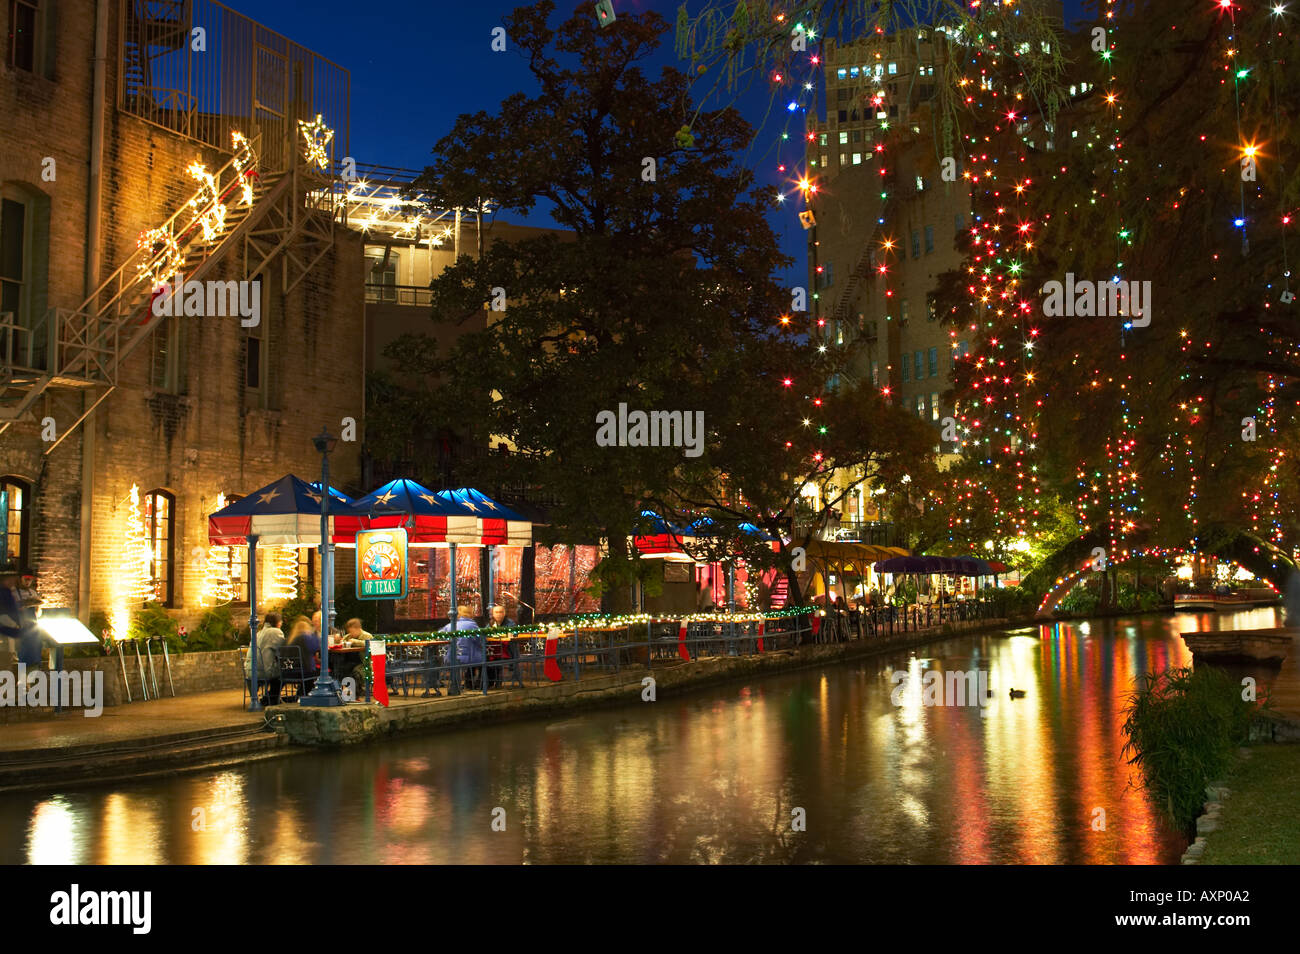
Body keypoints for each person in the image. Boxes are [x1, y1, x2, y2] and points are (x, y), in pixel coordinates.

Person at [0, 566, 42, 686]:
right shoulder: (12, 593)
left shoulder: (33, 593)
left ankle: (30, 683)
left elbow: (37, 613)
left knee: (33, 655)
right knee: (19, 656)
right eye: (26, 578)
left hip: (32, 629)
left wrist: (37, 607)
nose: (28, 581)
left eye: (30, 579)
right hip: (18, 629)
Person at [246, 611, 285, 705]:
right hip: (263, 671)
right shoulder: (275, 632)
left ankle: (268, 697)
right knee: (284, 674)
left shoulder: (258, 633)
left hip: (250, 670)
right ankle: (271, 698)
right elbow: (284, 649)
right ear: (278, 622)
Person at [286, 616, 320, 688]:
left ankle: (302, 693)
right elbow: (317, 647)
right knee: (325, 671)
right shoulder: (305, 637)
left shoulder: (290, 639)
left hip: (288, 671)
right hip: (303, 672)